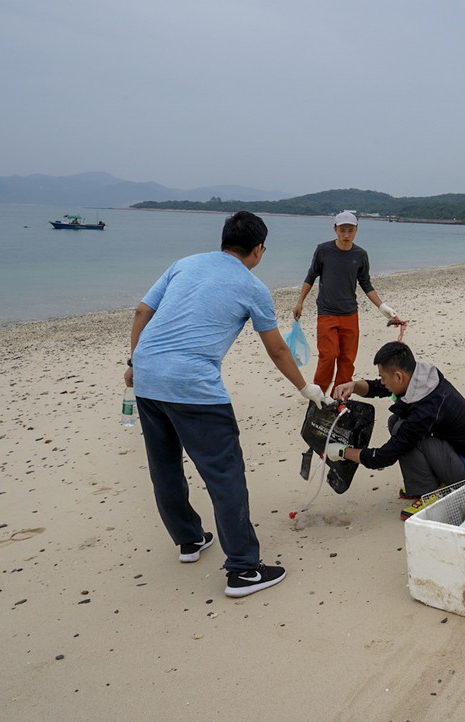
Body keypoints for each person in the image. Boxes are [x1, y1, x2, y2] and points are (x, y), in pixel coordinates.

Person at [126, 211, 327, 598]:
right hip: (194, 386)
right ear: (257, 249)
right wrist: (306, 390)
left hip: (149, 377)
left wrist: (135, 362)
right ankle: (244, 570)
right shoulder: (252, 286)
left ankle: (189, 541)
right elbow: (278, 349)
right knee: (225, 474)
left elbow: (141, 312)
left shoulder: (184, 264)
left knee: (165, 466)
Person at [327, 341, 465, 509]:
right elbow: (379, 387)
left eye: (383, 377)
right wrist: (353, 386)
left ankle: (429, 493)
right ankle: (428, 480)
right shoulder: (420, 378)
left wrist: (342, 451)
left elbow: (385, 457)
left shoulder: (426, 409)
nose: (382, 381)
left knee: (405, 434)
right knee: (396, 421)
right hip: (462, 452)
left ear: (398, 376)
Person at [293, 211, 399, 393]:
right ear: (335, 229)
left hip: (350, 313)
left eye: (351, 230)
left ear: (356, 230)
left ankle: (340, 395)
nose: (346, 235)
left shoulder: (360, 255)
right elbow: (311, 276)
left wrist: (383, 307)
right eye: (342, 230)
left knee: (347, 358)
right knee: (328, 355)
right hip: (327, 312)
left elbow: (366, 284)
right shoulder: (323, 250)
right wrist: (300, 301)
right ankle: (318, 393)